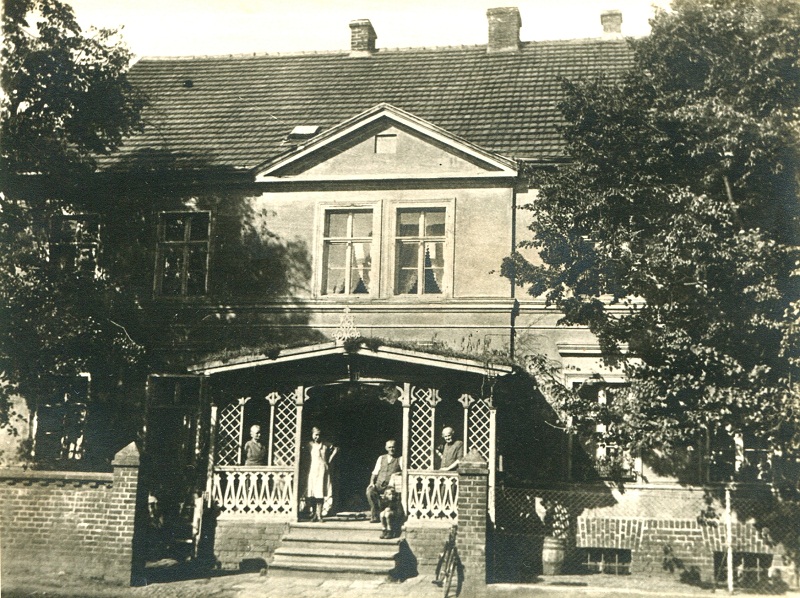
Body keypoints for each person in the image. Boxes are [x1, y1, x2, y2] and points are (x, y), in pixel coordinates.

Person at [305, 426, 338, 522]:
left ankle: (319, 515)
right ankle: (314, 513)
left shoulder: (325, 445)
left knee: (320, 492)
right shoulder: (309, 445)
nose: (317, 437)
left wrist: (329, 460)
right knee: (313, 493)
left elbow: (336, 449)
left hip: (323, 470)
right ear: (312, 435)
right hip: (313, 470)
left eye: (318, 435)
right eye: (315, 435)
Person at [366, 439, 402, 523]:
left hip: (390, 486)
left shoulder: (399, 459)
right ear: (386, 448)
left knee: (390, 495)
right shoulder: (381, 458)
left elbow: (404, 471)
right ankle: (375, 515)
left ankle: (388, 516)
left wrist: (397, 473)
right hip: (379, 484)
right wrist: (371, 482)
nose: (391, 449)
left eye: (393, 447)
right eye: (389, 447)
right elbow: (375, 472)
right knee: (369, 492)